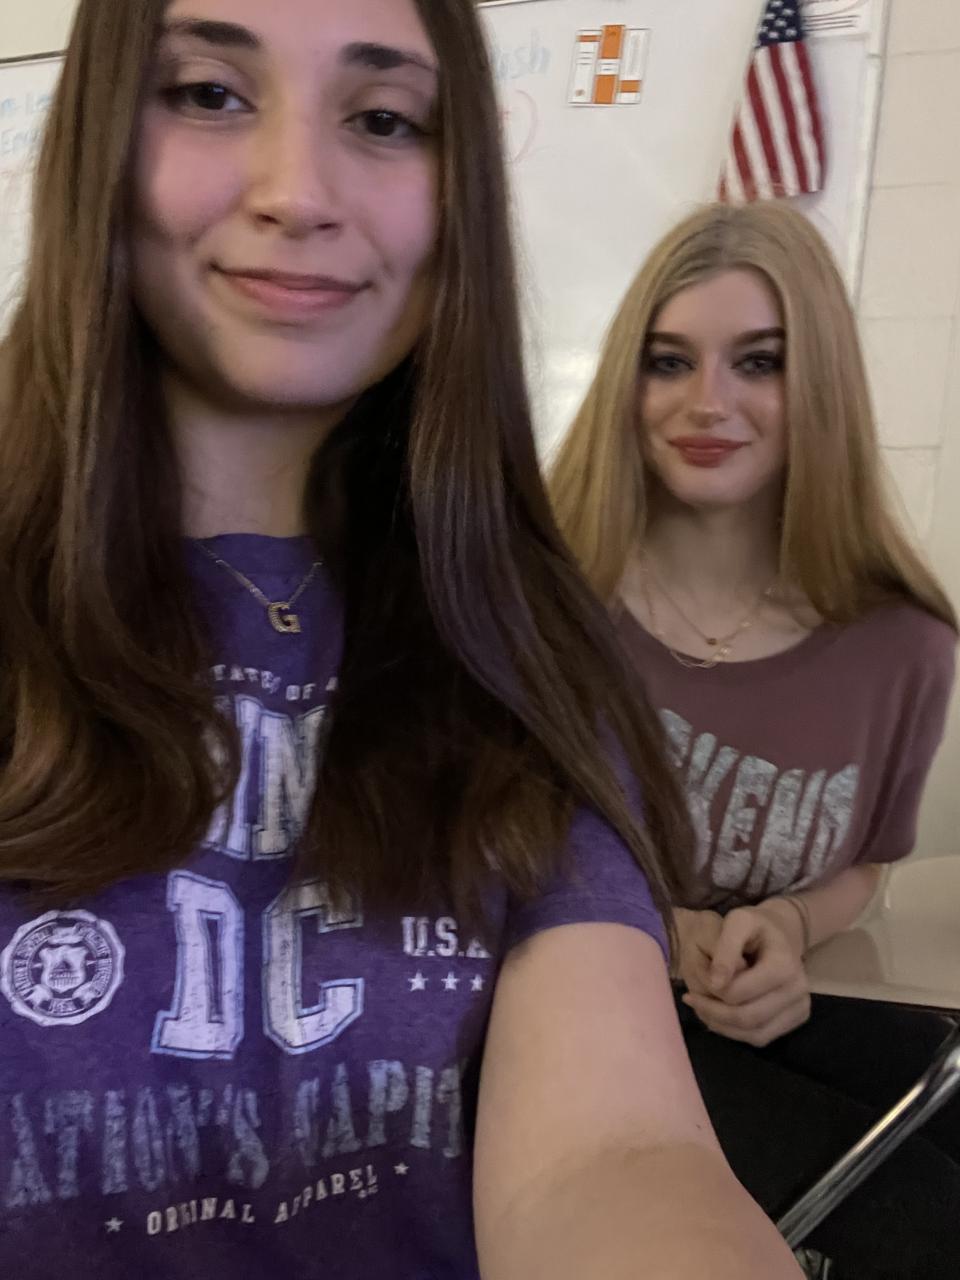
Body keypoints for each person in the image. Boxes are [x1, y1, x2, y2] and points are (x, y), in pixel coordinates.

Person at [0, 3, 804, 1278]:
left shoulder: (515, 641)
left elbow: (614, 1153)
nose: (298, 190)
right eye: (209, 94)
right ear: (100, 132)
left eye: (383, 119)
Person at [550, 201, 960, 1279]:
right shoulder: (546, 603)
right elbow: (477, 848)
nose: (707, 401)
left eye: (760, 362)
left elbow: (867, 862)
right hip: (569, 1021)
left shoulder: (906, 644)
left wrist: (785, 921)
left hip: (774, 1012)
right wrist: (653, 925)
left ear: (819, 385)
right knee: (932, 1225)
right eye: (669, 361)